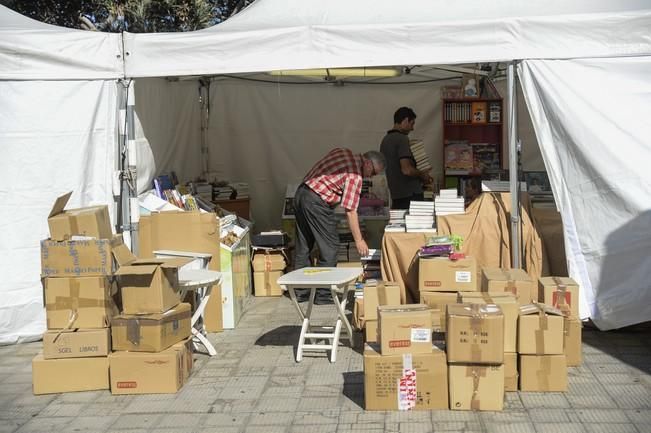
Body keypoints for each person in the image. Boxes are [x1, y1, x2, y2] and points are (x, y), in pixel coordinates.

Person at [294, 148, 386, 269]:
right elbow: (351, 212)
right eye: (373, 173)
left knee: (303, 248)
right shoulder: (355, 176)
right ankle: (324, 288)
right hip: (316, 202)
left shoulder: (342, 151)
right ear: (368, 163)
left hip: (301, 193)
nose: (370, 177)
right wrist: (359, 240)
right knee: (330, 248)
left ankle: (300, 288)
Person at [380, 107, 433, 209]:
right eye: (412, 123)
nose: (412, 128)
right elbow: (407, 170)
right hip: (410, 195)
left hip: (396, 194)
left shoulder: (385, 140)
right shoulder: (402, 139)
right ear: (405, 121)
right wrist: (423, 175)